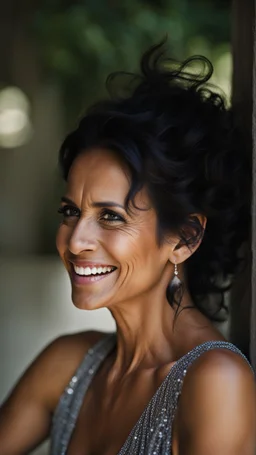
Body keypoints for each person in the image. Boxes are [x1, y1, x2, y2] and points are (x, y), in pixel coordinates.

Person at [0, 42, 255, 455]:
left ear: (185, 238)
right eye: (70, 211)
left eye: (111, 216)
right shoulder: (67, 365)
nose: (76, 240)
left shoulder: (214, 383)